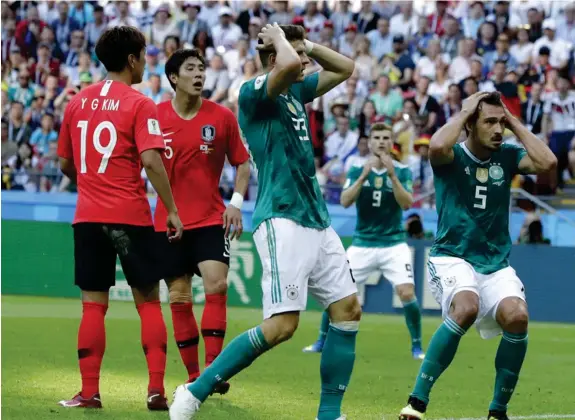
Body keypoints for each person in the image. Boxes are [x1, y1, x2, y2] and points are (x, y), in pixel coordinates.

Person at [170, 23, 360, 420]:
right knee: (282, 326)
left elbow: (345, 68)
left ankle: (329, 414)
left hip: (317, 220)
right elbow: (288, 64)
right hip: (282, 219)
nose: (306, 62)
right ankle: (194, 391)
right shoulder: (254, 93)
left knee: (347, 310)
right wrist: (280, 42)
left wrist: (305, 43)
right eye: (299, 56)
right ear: (274, 58)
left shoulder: (296, 92)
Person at [399, 92, 557, 420]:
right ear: (470, 124)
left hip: (495, 262)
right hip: (452, 255)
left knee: (518, 317)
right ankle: (416, 402)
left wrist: (513, 121)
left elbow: (549, 164)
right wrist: (464, 112)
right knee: (466, 306)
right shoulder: (451, 156)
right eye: (490, 122)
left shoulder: (509, 155)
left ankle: (497, 411)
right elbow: (437, 147)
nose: (498, 129)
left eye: (502, 122)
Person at [56, 26, 184, 411]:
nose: (146, 62)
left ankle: (89, 392)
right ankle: (156, 390)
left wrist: (93, 183)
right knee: (148, 304)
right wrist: (173, 209)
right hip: (128, 217)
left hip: (88, 218)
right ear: (131, 59)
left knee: (93, 306)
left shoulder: (77, 102)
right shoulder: (140, 103)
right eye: (144, 55)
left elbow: (65, 163)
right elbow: (150, 160)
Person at [155, 48, 250, 392]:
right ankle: (194, 375)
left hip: (211, 216)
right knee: (179, 297)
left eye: (201, 68)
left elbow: (242, 162)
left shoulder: (222, 116)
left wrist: (236, 203)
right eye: (190, 69)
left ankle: (213, 369)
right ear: (173, 78)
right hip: (167, 220)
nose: (199, 74)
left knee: (217, 285)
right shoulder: (154, 117)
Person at [303, 123, 425, 360]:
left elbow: (407, 203)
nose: (381, 142)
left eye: (385, 138)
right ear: (370, 142)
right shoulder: (357, 169)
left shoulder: (402, 171)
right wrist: (363, 176)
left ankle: (417, 347)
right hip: (362, 244)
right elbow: (346, 201)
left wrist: (391, 174)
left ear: (391, 142)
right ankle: (321, 341)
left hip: (393, 243)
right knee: (337, 291)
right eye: (376, 137)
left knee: (407, 292)